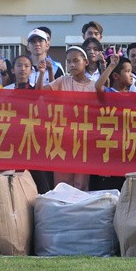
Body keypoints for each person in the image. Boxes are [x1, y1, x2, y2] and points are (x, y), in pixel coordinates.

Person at [44, 46, 95, 190]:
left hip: (84, 140)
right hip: (63, 139)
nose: (71, 65)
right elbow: (40, 93)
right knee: (62, 184)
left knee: (81, 184)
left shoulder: (94, 86)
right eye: (68, 61)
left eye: (75, 61)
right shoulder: (62, 81)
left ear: (85, 62)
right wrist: (43, 73)